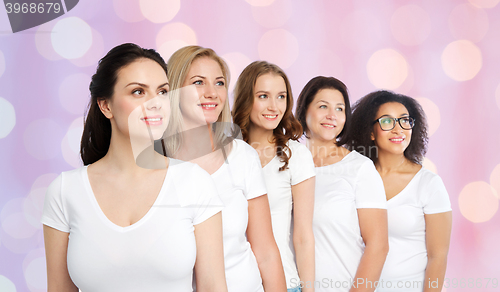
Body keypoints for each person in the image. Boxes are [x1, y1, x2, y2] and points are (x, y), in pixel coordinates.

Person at [42, 43, 227, 292]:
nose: (156, 103)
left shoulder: (194, 183)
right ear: (105, 105)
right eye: (138, 92)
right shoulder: (65, 191)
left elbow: (213, 286)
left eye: (162, 92)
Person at [165, 46, 286, 292]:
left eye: (219, 83)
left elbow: (266, 252)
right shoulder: (154, 162)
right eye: (198, 82)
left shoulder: (243, 157)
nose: (212, 93)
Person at [349, 90, 452, 292]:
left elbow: (437, 257)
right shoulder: (355, 178)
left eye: (405, 121)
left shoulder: (428, 184)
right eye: (387, 122)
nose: (398, 130)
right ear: (370, 131)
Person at [295, 76, 389, 292]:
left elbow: (378, 246)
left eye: (339, 109)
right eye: (323, 106)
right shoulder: (286, 164)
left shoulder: (359, 168)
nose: (331, 115)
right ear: (303, 110)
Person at [233, 61, 315, 292]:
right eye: (263, 96)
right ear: (246, 99)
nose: (274, 106)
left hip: (284, 284)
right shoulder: (226, 153)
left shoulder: (296, 155)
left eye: (281, 97)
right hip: (235, 283)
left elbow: (303, 236)